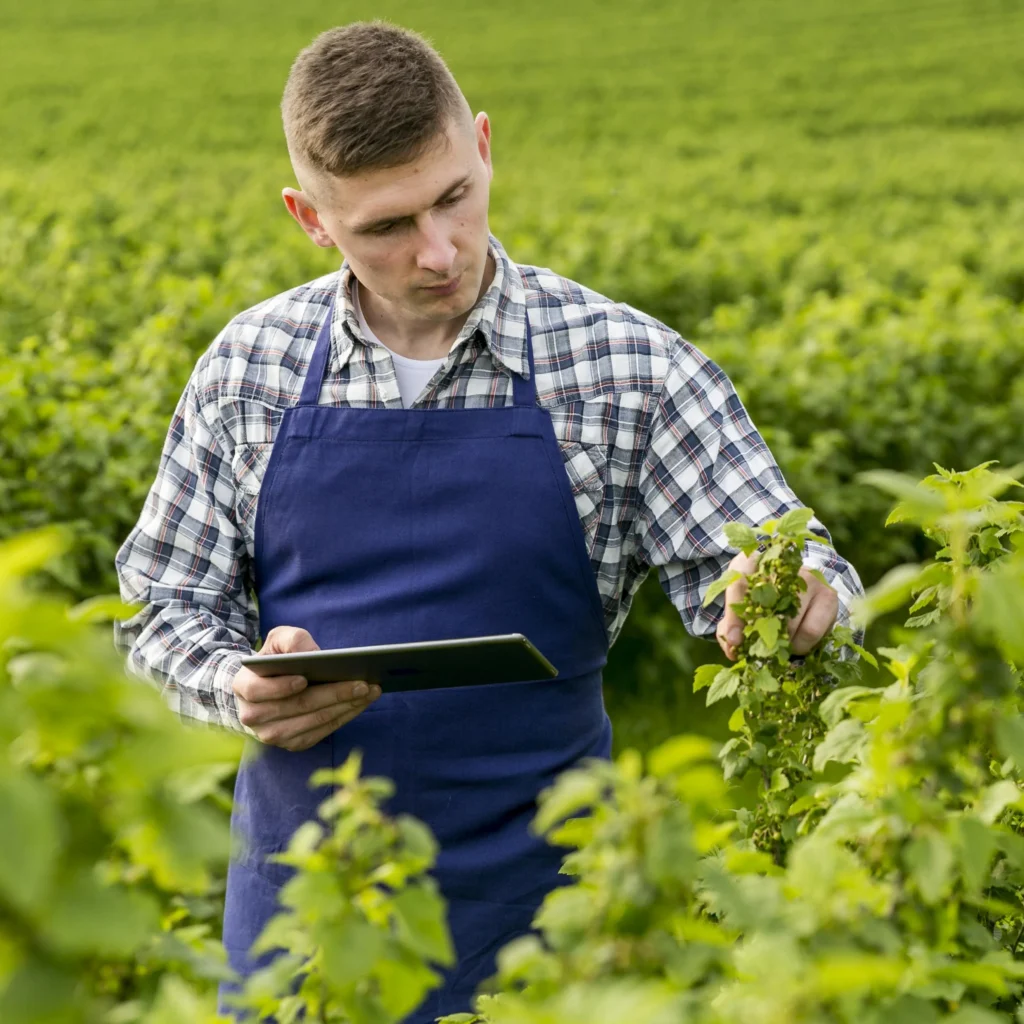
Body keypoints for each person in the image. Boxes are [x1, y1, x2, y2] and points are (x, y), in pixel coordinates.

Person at [113, 20, 864, 1022]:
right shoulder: (247, 369)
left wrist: (797, 597)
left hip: (560, 922)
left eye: (454, 198)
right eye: (386, 226)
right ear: (310, 217)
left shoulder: (625, 366)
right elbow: (156, 609)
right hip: (310, 915)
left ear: (483, 145)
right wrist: (235, 683)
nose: (437, 251)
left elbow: (794, 557)